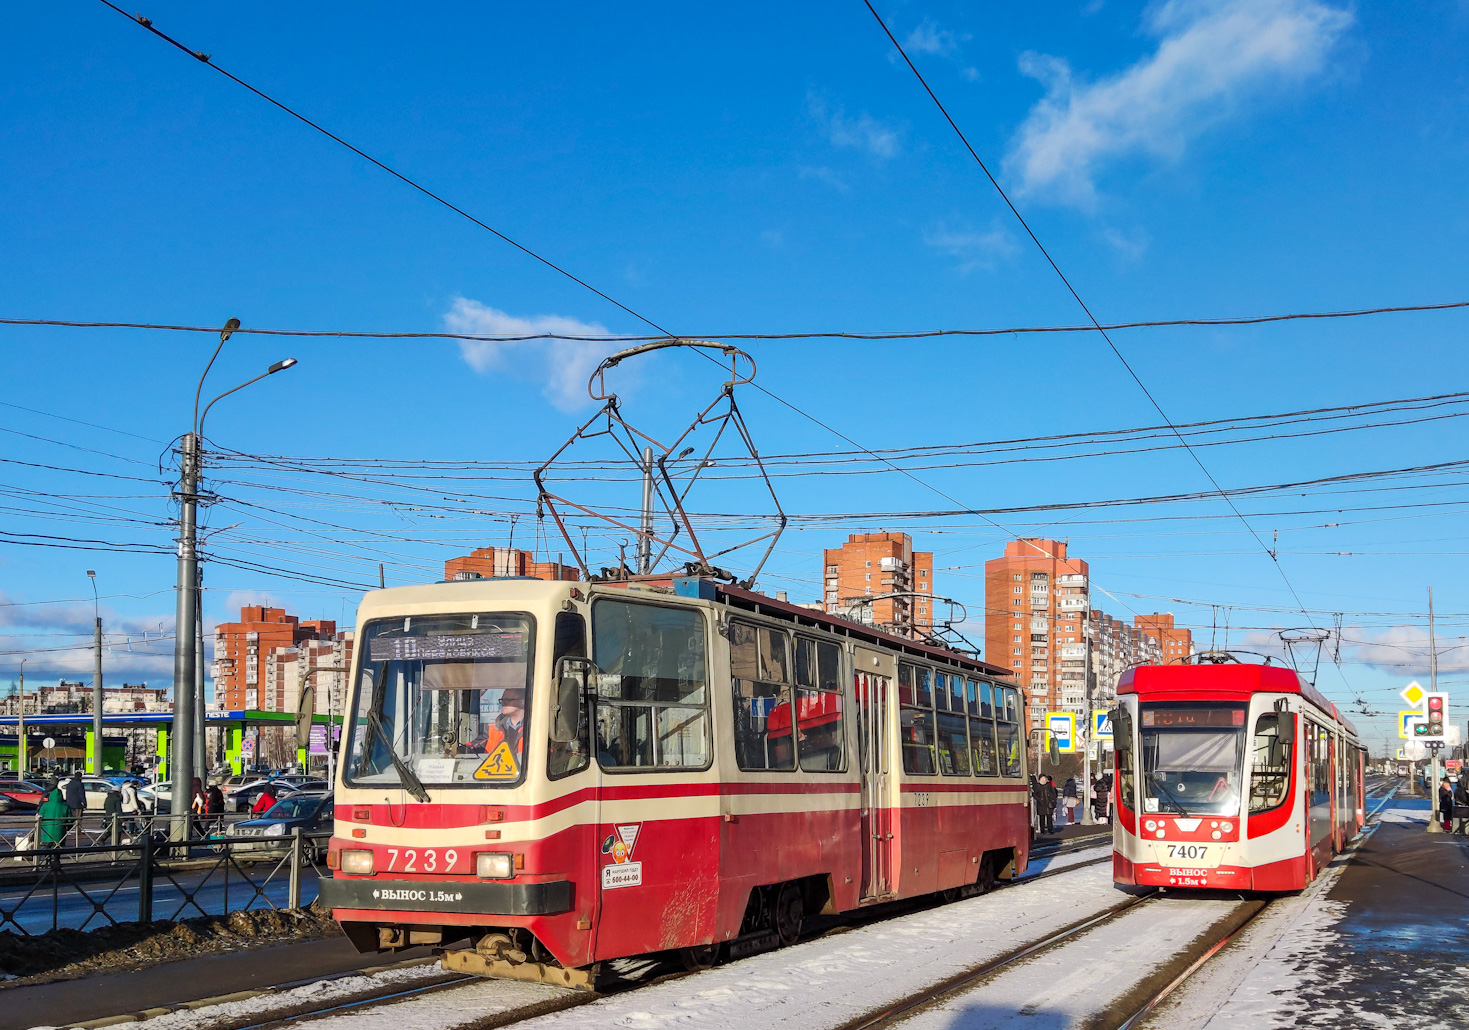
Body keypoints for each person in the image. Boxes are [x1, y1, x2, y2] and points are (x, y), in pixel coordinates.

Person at [480, 688, 527, 770]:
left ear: (522, 702)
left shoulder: (534, 728)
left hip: (525, 776)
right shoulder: (494, 729)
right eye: (502, 700)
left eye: (508, 700)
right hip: (497, 775)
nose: (503, 703)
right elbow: (475, 745)